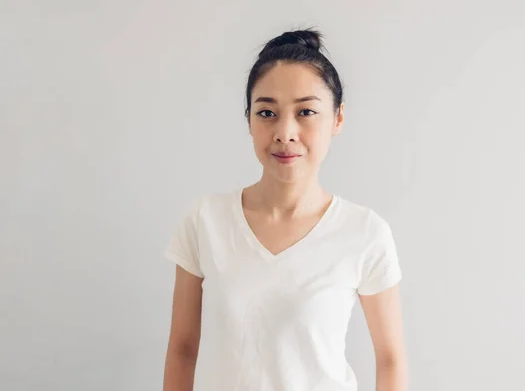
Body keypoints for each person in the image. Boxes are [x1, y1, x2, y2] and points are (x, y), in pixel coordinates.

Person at [163, 29, 408, 391]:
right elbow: (183, 349)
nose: (285, 131)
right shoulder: (205, 221)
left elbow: (390, 358)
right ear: (249, 120)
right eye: (267, 112)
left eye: (306, 111)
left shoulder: (365, 232)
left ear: (337, 118)